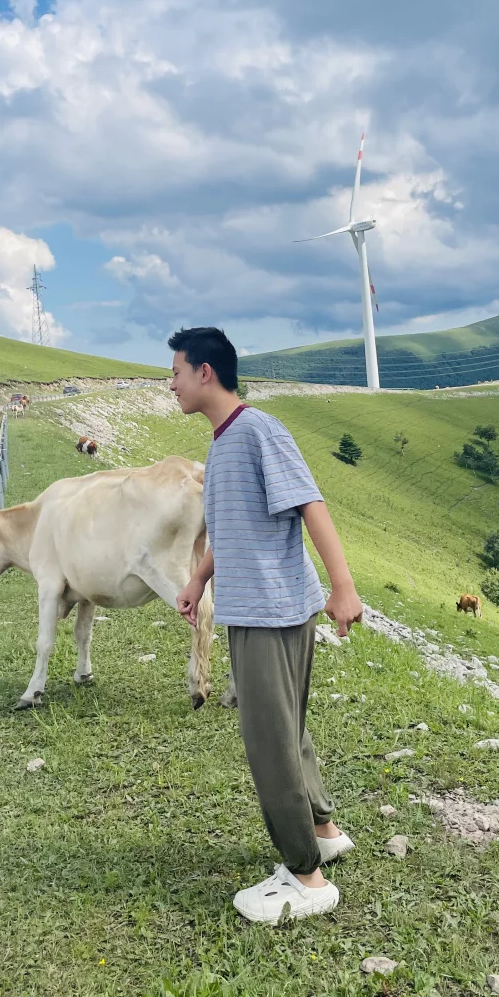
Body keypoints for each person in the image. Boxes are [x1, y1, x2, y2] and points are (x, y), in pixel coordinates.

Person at [170, 325, 363, 924]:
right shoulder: (223, 442)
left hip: (271, 610)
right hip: (255, 604)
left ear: (206, 372)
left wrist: (343, 586)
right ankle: (323, 829)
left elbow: (310, 503)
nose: (170, 384)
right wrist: (200, 577)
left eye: (175, 371)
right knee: (289, 726)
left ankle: (306, 876)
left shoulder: (256, 430)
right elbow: (233, 528)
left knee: (268, 740)